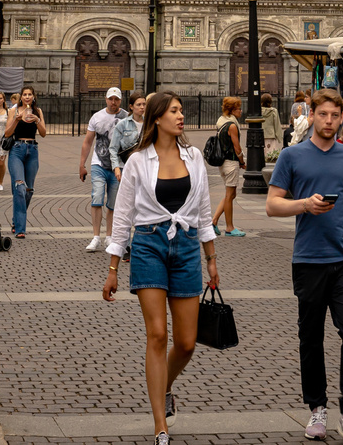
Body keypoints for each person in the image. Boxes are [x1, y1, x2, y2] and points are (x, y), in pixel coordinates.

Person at [102, 91, 220, 445]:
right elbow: (122, 216)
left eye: (181, 110)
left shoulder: (194, 156)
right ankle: (160, 425)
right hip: (148, 245)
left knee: (186, 343)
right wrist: (112, 267)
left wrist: (211, 259)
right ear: (156, 119)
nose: (180, 116)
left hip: (185, 248)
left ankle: (164, 386)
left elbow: (202, 210)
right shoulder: (138, 160)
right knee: (157, 334)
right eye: (173, 111)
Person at [268, 86, 343, 444]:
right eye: (322, 115)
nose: (329, 121)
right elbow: (272, 205)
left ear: (342, 118)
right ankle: (317, 408)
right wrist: (304, 205)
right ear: (311, 115)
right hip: (308, 260)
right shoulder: (292, 157)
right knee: (310, 338)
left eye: (335, 116)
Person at [84, 86, 126, 252]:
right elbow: (88, 141)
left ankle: (109, 237)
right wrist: (82, 164)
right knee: (97, 197)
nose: (113, 102)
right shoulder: (97, 117)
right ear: (106, 99)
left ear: (120, 101)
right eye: (111, 99)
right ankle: (96, 237)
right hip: (99, 164)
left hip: (118, 165)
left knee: (113, 204)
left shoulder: (125, 118)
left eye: (116, 99)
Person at [4, 87, 46, 237]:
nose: (27, 97)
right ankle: (20, 229)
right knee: (20, 188)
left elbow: (43, 133)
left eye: (30, 94)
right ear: (21, 97)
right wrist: (16, 120)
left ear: (33, 97)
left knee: (29, 190)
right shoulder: (13, 111)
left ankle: (16, 220)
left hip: (32, 150)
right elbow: (7, 133)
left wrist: (38, 121)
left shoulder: (37, 111)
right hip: (17, 149)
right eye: (25, 95)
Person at [214, 95, 248, 236]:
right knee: (229, 195)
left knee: (231, 194)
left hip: (224, 162)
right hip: (230, 162)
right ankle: (229, 227)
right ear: (232, 110)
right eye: (239, 108)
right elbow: (237, 147)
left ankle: (214, 221)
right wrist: (242, 162)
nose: (241, 111)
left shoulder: (221, 121)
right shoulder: (232, 125)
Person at [259, 92, 282, 168]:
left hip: (261, 135)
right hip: (271, 136)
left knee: (261, 154)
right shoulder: (273, 111)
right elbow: (277, 124)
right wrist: (279, 137)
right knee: (270, 156)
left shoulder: (259, 111)